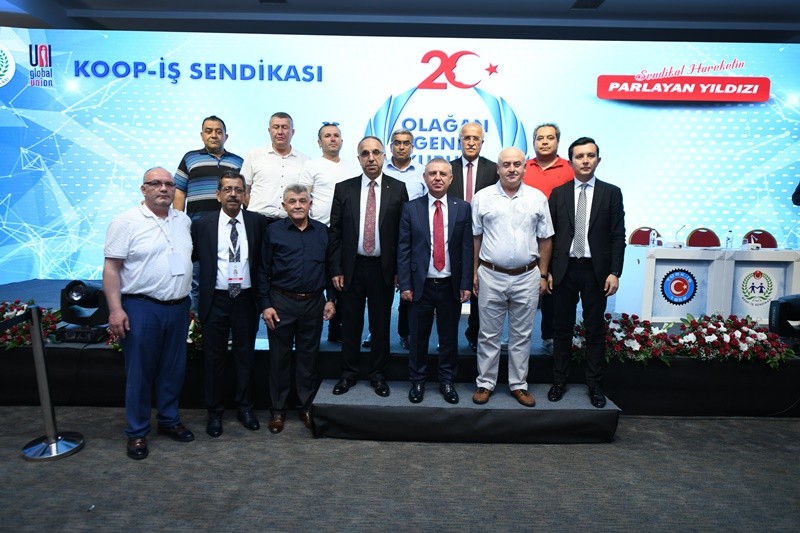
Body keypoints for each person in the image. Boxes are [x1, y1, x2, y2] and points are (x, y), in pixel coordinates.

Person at [103, 167, 194, 460]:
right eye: (156, 183)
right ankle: (137, 431)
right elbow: (111, 268)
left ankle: (168, 419)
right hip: (142, 307)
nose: (164, 189)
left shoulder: (183, 220)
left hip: (178, 307)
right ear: (144, 189)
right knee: (140, 373)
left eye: (168, 184)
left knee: (173, 370)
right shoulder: (125, 221)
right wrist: (115, 309)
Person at [547, 137, 626, 409]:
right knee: (561, 329)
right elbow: (549, 236)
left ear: (598, 160)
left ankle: (594, 385)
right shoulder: (558, 193)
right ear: (570, 162)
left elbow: (618, 236)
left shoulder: (611, 193)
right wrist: (547, 271)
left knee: (594, 330)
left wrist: (615, 271)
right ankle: (559, 381)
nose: (585, 161)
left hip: (596, 272)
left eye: (590, 156)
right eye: (579, 156)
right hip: (564, 270)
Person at [471, 148, 553, 407]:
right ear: (497, 168)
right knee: (488, 334)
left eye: (517, 164)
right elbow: (475, 238)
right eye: (506, 164)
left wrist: (543, 274)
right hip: (490, 275)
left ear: (525, 168)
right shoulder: (482, 197)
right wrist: (474, 272)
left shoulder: (537, 198)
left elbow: (546, 239)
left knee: (522, 335)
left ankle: (518, 385)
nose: (512, 169)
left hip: (527, 276)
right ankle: (485, 383)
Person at [329, 136, 409, 397]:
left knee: (380, 324)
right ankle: (348, 373)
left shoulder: (398, 189)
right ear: (359, 158)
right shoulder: (344, 189)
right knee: (350, 324)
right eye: (365, 154)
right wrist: (336, 269)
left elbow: (403, 235)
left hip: (382, 268)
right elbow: (335, 232)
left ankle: (378, 375)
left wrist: (400, 270)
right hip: (351, 268)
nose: (371, 158)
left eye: (376, 152)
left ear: (384, 156)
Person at [191, 171, 267, 438]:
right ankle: (214, 412)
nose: (233, 194)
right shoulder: (202, 225)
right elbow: (194, 261)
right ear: (218, 195)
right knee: (214, 359)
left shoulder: (258, 222)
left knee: (245, 357)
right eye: (228, 189)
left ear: (245, 195)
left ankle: (245, 407)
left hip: (246, 300)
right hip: (216, 300)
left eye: (238, 189)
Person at [260, 184, 335, 434]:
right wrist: (266, 305)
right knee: (279, 358)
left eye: (303, 200)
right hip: (281, 302)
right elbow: (262, 270)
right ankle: (278, 411)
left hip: (314, 302)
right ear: (284, 206)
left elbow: (330, 268)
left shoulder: (322, 232)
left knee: (308, 357)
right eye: (292, 201)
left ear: (310, 204)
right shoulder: (273, 231)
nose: (298, 205)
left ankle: (305, 407)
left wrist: (331, 299)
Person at [398, 158, 473, 404]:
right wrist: (405, 284)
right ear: (425, 177)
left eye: (443, 173)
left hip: (450, 285)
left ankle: (447, 381)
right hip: (421, 286)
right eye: (432, 173)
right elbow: (404, 249)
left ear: (451, 178)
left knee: (449, 337)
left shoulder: (462, 208)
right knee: (418, 338)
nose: (437, 178)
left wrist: (465, 283)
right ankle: (417, 381)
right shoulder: (411, 208)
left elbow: (466, 248)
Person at [173, 115, 244, 310]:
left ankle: (228, 324)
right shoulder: (190, 158)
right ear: (202, 135)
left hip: (230, 232)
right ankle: (196, 324)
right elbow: (179, 191)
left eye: (219, 131)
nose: (214, 135)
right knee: (196, 280)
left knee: (230, 279)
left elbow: (244, 194)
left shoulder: (238, 161)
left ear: (226, 136)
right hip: (196, 230)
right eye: (209, 131)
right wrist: (177, 221)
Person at [299, 123, 360, 343]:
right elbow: (304, 197)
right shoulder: (311, 166)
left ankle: (337, 330)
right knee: (316, 278)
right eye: (327, 136)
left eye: (336, 135)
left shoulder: (353, 168)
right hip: (317, 230)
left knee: (340, 280)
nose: (332, 139)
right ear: (319, 142)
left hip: (344, 234)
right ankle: (307, 330)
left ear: (342, 141)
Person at [522, 123, 574, 355]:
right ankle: (512, 337)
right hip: (524, 237)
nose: (544, 142)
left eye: (550, 138)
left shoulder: (569, 168)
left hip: (557, 237)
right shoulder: (524, 167)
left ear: (557, 142)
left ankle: (549, 336)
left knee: (552, 288)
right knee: (518, 290)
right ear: (534, 141)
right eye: (540, 138)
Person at [449, 122, 499, 352]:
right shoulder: (448, 169)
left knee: (480, 289)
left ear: (482, 142)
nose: (470, 142)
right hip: (453, 238)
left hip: (485, 237)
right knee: (452, 288)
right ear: (460, 141)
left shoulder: (494, 170)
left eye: (475, 138)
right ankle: (447, 336)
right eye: (466, 138)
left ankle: (475, 335)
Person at [382, 128, 427, 350]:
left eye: (406, 143)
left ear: (412, 146)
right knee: (381, 289)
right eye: (397, 143)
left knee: (408, 287)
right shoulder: (380, 169)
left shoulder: (421, 172)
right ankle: (376, 332)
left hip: (411, 238)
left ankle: (405, 333)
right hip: (383, 236)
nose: (401, 147)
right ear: (391, 146)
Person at [241, 112, 309, 223]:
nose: (280, 132)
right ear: (269, 131)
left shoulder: (305, 161)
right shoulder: (254, 155)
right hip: (257, 219)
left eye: (285, 127)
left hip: (289, 222)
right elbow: (243, 191)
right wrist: (255, 211)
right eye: (276, 127)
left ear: (292, 132)